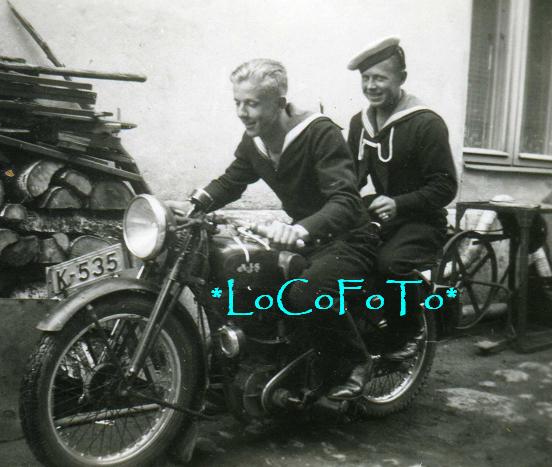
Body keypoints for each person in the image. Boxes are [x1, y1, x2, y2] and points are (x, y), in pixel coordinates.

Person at [185, 58, 379, 399]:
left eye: (252, 104)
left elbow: (346, 201)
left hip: (349, 239)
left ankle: (355, 361)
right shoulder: (255, 141)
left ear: (279, 102)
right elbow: (232, 181)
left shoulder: (320, 133)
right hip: (306, 238)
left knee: (304, 295)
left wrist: (301, 230)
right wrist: (193, 205)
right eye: (237, 102)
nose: (242, 113)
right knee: (243, 283)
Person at [325, 38, 459, 400]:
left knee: (388, 263)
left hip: (421, 220)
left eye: (380, 78)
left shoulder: (426, 123)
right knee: (341, 257)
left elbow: (445, 186)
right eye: (366, 78)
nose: (371, 86)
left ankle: (409, 332)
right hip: (383, 214)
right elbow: (352, 176)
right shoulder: (361, 122)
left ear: (401, 78)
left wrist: (400, 204)